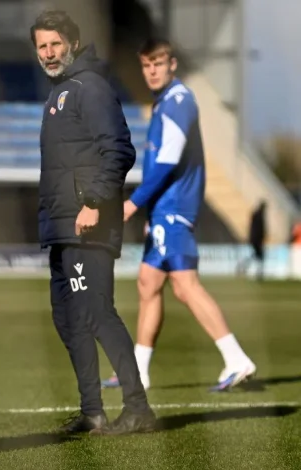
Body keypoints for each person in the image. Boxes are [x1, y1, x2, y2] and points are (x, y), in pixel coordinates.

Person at [102, 38, 256, 392]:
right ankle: (138, 371)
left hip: (173, 209)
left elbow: (168, 163)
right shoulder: (165, 105)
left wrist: (134, 203)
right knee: (148, 283)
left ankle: (236, 358)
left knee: (185, 287)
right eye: (146, 65)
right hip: (164, 209)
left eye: (158, 63)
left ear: (173, 64)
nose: (152, 70)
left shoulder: (177, 102)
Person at [32, 10, 156, 435]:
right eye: (42, 46)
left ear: (73, 42)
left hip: (88, 223)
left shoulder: (91, 86)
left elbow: (120, 150)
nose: (49, 53)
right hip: (61, 227)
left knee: (96, 313)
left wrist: (92, 202)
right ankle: (93, 412)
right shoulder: (59, 93)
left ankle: (138, 408)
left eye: (54, 44)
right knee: (67, 318)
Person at [237, 200, 267, 280]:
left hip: (254, 239)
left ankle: (245, 267)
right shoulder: (259, 215)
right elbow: (259, 229)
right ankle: (258, 272)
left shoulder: (256, 214)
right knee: (259, 256)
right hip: (256, 239)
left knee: (256, 256)